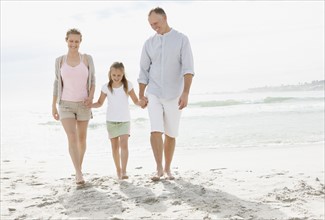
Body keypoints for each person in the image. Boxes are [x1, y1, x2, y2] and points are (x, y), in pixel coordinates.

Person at [138, 7, 195, 181]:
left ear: (165, 18)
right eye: (151, 24)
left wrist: (185, 93)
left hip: (174, 94)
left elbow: (188, 69)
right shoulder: (148, 43)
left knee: (171, 133)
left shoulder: (181, 40)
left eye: (156, 23)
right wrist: (141, 94)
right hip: (154, 92)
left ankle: (168, 168)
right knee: (155, 130)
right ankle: (159, 169)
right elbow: (143, 70)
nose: (154, 26)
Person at [52, 28, 95, 185]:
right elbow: (57, 82)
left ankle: (79, 168)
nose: (73, 44)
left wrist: (90, 98)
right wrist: (53, 105)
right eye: (71, 41)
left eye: (76, 41)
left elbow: (93, 81)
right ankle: (78, 172)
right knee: (72, 136)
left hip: (84, 104)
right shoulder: (59, 61)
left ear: (80, 42)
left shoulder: (87, 59)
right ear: (66, 40)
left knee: (82, 138)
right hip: (66, 105)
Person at [91, 62, 143, 180]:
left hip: (124, 120)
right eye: (114, 75)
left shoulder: (127, 85)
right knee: (114, 147)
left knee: (124, 145)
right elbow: (99, 103)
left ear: (123, 74)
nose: (116, 77)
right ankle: (118, 169)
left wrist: (142, 102)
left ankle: (124, 171)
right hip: (111, 121)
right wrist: (90, 105)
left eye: (119, 75)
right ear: (110, 74)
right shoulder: (106, 87)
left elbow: (136, 101)